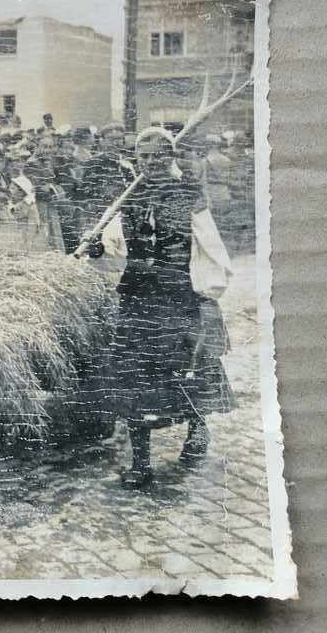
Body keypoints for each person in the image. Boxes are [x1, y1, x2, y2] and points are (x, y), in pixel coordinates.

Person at [85, 127, 234, 488]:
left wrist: (206, 292)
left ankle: (197, 431)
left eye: (157, 156)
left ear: (170, 158)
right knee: (135, 378)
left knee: (188, 369)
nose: (150, 163)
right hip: (138, 299)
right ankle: (140, 462)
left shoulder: (188, 194)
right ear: (136, 159)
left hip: (178, 297)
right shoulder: (129, 197)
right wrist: (97, 249)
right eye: (143, 157)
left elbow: (209, 248)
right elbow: (117, 249)